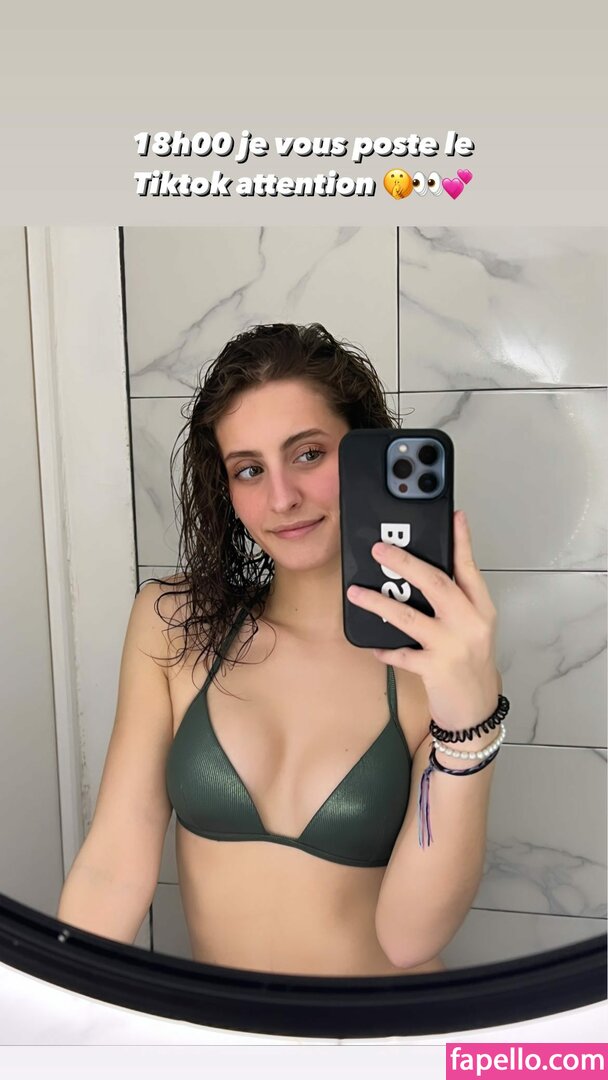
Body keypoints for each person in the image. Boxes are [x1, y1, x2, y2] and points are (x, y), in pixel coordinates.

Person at [57, 322, 505, 977]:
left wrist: (472, 721)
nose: (282, 498)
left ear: (365, 455)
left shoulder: (431, 663)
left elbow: (410, 938)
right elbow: (112, 865)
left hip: (387, 1031)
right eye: (249, 470)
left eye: (308, 454)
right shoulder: (173, 627)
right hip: (219, 1030)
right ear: (226, 490)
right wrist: (59, 1011)